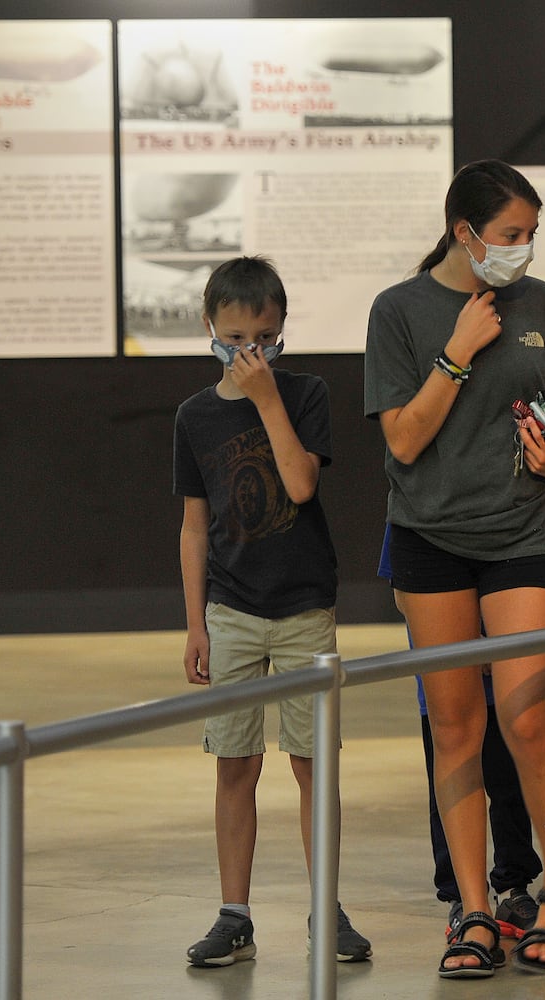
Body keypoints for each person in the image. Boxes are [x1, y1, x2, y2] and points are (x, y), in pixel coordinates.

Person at [363, 159, 545, 977]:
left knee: (527, 719)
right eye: (509, 236)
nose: (522, 250)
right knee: (454, 727)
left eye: (530, 235)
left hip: (527, 530)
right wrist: (455, 356)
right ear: (465, 233)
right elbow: (403, 440)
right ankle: (475, 909)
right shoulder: (400, 310)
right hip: (431, 537)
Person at [174, 255, 371, 967]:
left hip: (303, 607)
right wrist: (196, 622)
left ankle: (328, 905)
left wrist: (265, 400)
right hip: (230, 610)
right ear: (210, 330)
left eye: (263, 337)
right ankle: (235, 914)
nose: (248, 352)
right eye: (234, 338)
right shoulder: (194, 416)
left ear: (281, 332)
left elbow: (299, 483)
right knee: (234, 764)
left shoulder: (305, 394)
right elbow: (195, 527)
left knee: (315, 765)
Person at [377, 526, 542, 942]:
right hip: (445, 684)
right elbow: (403, 590)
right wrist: (469, 643)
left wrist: (495, 646)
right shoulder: (413, 504)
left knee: (508, 786)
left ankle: (514, 887)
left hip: (501, 680)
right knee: (449, 785)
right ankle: (461, 898)